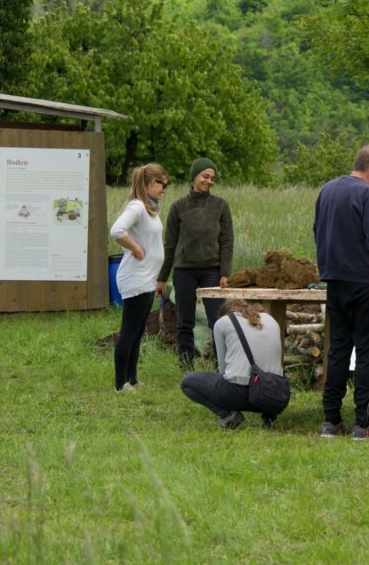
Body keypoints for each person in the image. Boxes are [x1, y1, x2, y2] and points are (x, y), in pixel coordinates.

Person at [313, 144, 369, 440]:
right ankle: (363, 423)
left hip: (335, 282)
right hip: (366, 283)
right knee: (367, 353)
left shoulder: (327, 190)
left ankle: (331, 421)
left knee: (338, 350)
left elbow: (318, 232)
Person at [157, 157, 234, 370]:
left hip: (212, 271)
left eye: (212, 178)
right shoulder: (178, 207)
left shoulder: (221, 206)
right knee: (185, 322)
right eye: (205, 177)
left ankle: (222, 366)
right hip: (184, 271)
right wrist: (162, 278)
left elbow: (227, 242)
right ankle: (186, 366)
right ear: (194, 177)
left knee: (218, 320)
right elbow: (169, 245)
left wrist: (225, 273)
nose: (209, 181)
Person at [180, 300, 284, 429]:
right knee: (266, 374)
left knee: (187, 382)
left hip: (240, 392)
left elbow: (224, 370)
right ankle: (269, 417)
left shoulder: (223, 322)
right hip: (277, 394)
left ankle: (229, 414)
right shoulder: (271, 319)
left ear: (225, 313)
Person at [110, 164, 168, 392]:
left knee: (138, 331)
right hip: (135, 278)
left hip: (147, 278)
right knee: (129, 331)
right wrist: (136, 248)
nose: (164, 188)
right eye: (162, 184)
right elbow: (117, 231)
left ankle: (132, 378)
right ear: (150, 183)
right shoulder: (137, 207)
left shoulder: (150, 209)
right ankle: (119, 383)